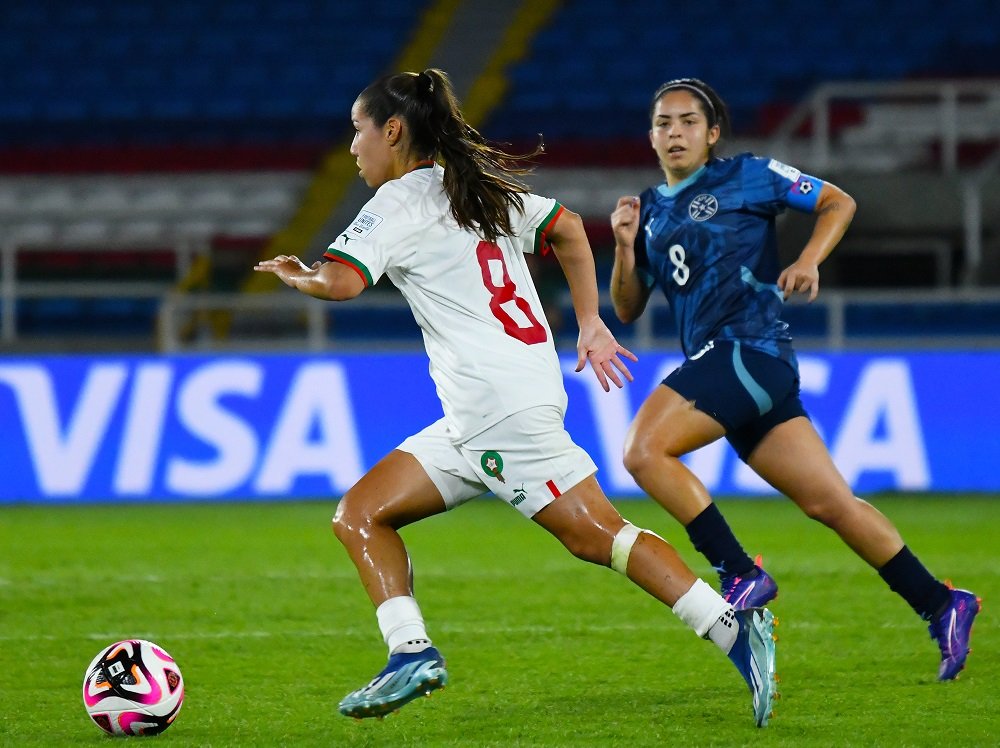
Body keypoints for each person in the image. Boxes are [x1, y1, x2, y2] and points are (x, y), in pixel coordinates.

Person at [254, 68, 778, 727]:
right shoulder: (476, 188)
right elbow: (564, 229)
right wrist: (589, 321)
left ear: (392, 131)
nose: (352, 147)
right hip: (486, 411)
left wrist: (302, 278)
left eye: (358, 131)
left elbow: (343, 284)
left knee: (599, 537)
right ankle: (410, 653)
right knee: (360, 513)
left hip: (498, 409)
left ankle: (734, 628)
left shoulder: (397, 203)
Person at [609, 77, 981, 682]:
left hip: (747, 350)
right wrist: (625, 249)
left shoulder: (749, 174)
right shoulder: (648, 210)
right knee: (830, 502)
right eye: (662, 123)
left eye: (686, 122)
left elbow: (839, 200)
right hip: (738, 368)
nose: (674, 132)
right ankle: (942, 603)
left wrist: (808, 259)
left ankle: (737, 571)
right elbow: (626, 309)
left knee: (643, 450)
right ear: (650, 136)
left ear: (712, 133)